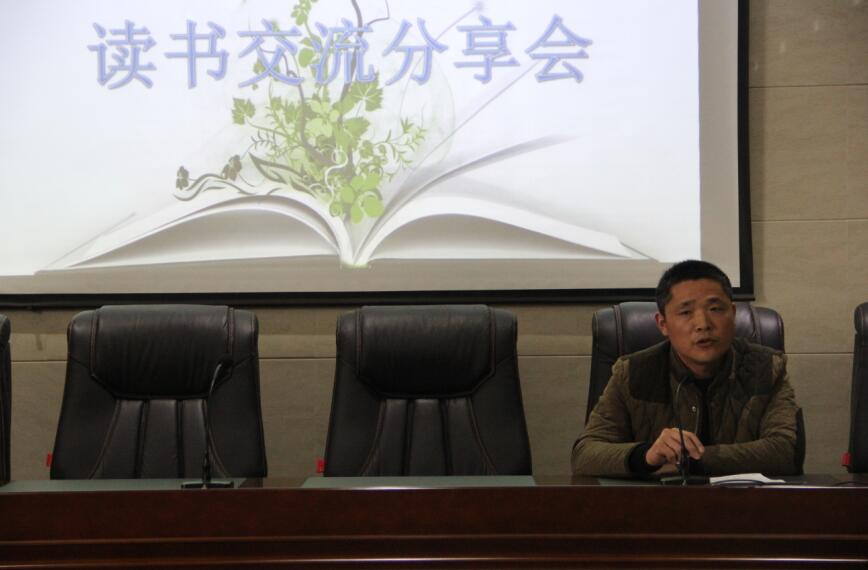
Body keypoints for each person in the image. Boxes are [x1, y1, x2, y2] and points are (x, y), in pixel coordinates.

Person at [571, 260, 801, 477]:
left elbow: (785, 451)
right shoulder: (631, 373)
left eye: (715, 309)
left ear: (733, 314)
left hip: (744, 502)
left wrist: (690, 459)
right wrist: (647, 455)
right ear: (663, 324)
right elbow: (585, 454)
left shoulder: (768, 368)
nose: (703, 324)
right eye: (685, 312)